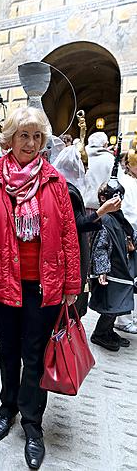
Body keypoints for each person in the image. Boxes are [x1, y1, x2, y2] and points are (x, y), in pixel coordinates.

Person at [0, 107, 81, 470]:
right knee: (7, 349)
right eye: (24, 136)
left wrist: (71, 284)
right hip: (5, 282)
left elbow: (68, 234)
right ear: (9, 139)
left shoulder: (54, 181)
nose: (31, 143)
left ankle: (33, 423)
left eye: (36, 137)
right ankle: (7, 407)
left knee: (35, 355)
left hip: (46, 285)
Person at [53, 143, 122, 317]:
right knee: (69, 308)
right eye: (84, 166)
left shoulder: (64, 187)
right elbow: (78, 225)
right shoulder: (69, 191)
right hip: (67, 254)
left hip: (65, 252)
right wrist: (103, 211)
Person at [89, 180, 137, 351]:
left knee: (118, 304)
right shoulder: (106, 220)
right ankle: (100, 333)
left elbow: (128, 233)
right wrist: (101, 269)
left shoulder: (118, 217)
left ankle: (107, 331)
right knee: (112, 306)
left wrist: (130, 242)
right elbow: (100, 246)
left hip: (120, 268)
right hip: (111, 272)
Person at [114, 138, 137, 333]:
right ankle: (123, 318)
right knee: (127, 276)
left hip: (131, 233)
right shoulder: (127, 183)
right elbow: (129, 213)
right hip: (129, 235)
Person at [84, 131, 114, 211]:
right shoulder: (110, 159)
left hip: (81, 203)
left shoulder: (81, 156)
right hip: (102, 206)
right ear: (105, 145)